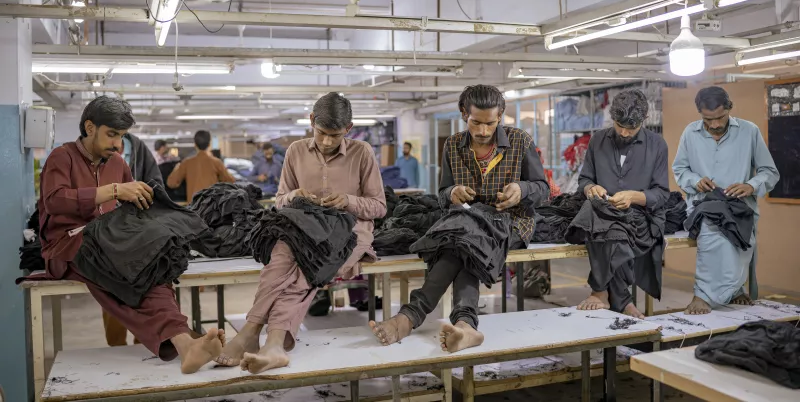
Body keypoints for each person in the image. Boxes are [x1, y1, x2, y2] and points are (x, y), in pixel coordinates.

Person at [38, 96, 224, 373]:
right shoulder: (61, 157)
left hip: (109, 242)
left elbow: (131, 209)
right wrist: (114, 191)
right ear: (89, 127)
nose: (117, 144)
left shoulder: (116, 164)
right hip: (66, 245)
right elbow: (54, 200)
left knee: (153, 267)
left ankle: (186, 343)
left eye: (122, 136)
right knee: (125, 271)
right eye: (111, 134)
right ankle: (184, 342)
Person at [214, 92, 386, 373]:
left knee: (307, 269)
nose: (328, 141)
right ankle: (260, 337)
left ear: (349, 129)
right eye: (321, 133)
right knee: (279, 258)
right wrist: (294, 195)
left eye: (335, 135)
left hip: (349, 232)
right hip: (305, 229)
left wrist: (348, 201)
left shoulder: (362, 152)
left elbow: (379, 207)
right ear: (311, 122)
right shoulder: (295, 151)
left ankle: (265, 338)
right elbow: (280, 199)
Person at [370, 84, 549, 352]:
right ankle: (465, 326)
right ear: (464, 113)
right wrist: (453, 192)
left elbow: (543, 189)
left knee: (464, 239)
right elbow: (442, 193)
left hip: (510, 222)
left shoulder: (520, 141)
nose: (483, 131)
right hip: (467, 224)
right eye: (476, 122)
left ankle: (411, 316)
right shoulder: (453, 145)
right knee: (465, 240)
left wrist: (522, 190)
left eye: (490, 123)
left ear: (500, 116)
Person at [672, 86, 779, 315]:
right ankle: (702, 294)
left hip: (740, 205)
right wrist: (695, 181)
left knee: (742, 240)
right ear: (700, 114)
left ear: (729, 109)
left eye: (720, 117)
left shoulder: (749, 131)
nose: (714, 125)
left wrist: (751, 185)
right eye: (707, 119)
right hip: (703, 204)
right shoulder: (690, 133)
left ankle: (735, 289)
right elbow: (680, 169)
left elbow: (769, 171)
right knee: (713, 232)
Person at [576, 89, 670, 319]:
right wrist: (591, 189)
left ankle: (601, 292)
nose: (625, 132)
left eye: (632, 128)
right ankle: (621, 300)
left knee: (614, 231)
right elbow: (585, 179)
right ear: (612, 117)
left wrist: (634, 197)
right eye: (619, 126)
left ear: (644, 121)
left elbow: (662, 193)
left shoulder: (657, 144)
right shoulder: (598, 140)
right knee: (596, 214)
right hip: (602, 210)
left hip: (640, 215)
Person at [103, 132, 164, 347]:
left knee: (145, 294)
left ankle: (142, 346)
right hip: (106, 236)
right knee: (112, 295)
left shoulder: (138, 148)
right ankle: (116, 347)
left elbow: (156, 183)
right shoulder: (94, 150)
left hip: (139, 232)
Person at [166, 130, 235, 201]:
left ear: (195, 144)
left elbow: (171, 183)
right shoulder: (216, 162)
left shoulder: (187, 163)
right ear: (209, 144)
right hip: (211, 206)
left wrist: (176, 168)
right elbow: (230, 181)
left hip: (194, 207)